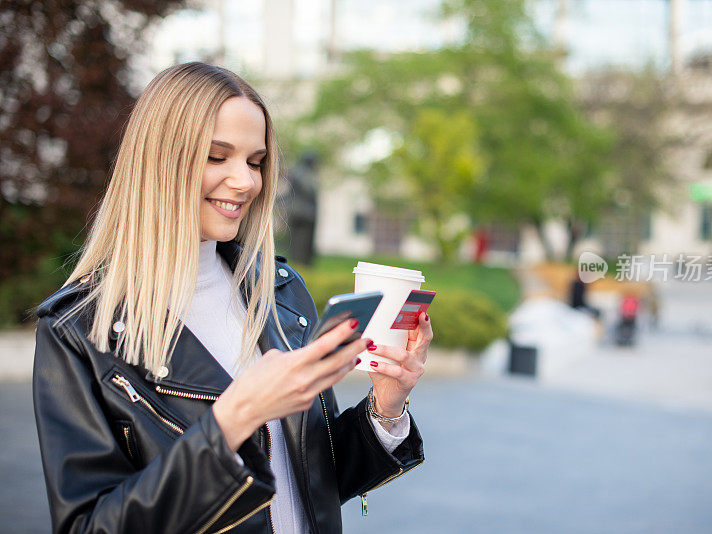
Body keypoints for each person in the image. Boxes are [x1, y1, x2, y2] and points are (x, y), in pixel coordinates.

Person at [32, 62, 429, 534]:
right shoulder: (78, 331)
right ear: (160, 160)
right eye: (217, 157)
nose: (246, 182)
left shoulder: (278, 289)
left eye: (255, 161)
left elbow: (308, 483)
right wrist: (234, 419)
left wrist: (386, 404)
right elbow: (90, 526)